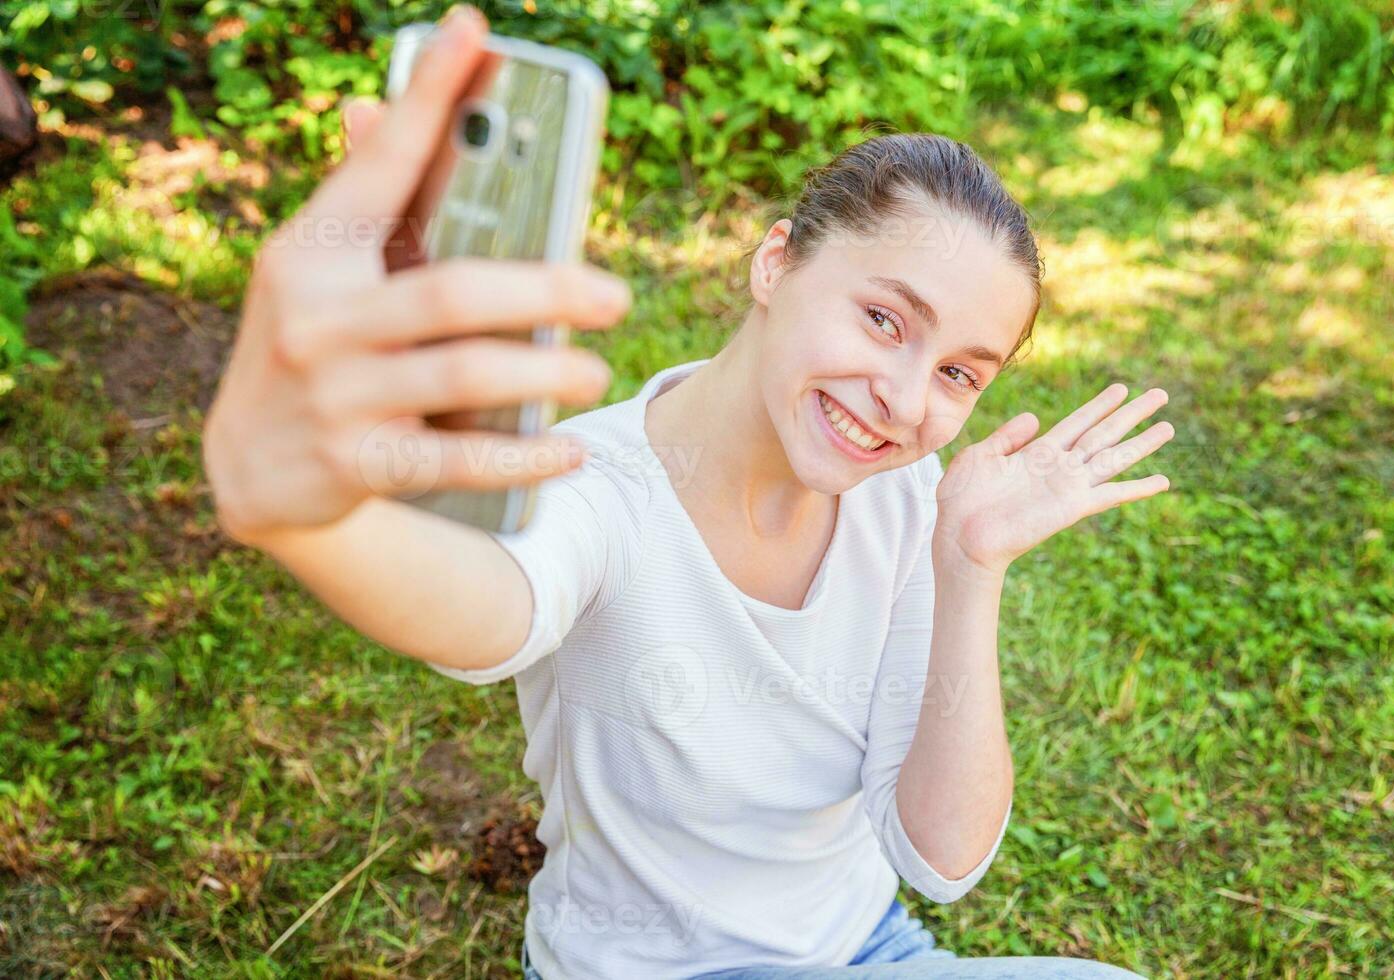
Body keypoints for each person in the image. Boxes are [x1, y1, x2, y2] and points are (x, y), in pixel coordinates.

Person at [202, 8, 1172, 979]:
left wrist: (967, 565)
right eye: (884, 318)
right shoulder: (597, 483)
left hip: (868, 950)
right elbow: (486, 608)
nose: (907, 398)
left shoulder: (911, 494)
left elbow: (942, 856)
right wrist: (304, 516)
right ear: (775, 262)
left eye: (962, 372)